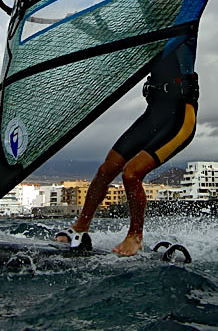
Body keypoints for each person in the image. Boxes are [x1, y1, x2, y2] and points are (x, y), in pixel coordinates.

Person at [55, 28, 199, 256]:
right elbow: (118, 36)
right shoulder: (154, 27)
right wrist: (85, 25)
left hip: (180, 117)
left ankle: (135, 236)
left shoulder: (185, 23)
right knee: (106, 170)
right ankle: (80, 226)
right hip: (153, 114)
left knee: (131, 173)